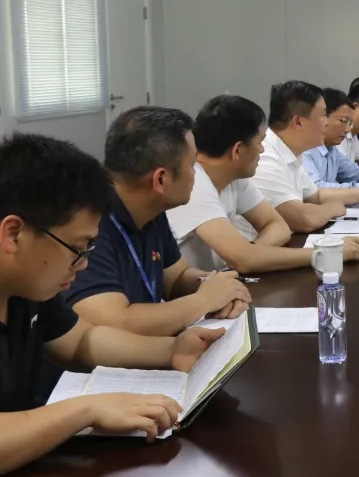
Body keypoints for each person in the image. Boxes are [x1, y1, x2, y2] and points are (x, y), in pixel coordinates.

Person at [0, 133, 228, 473]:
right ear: (14, 234)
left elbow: (82, 340)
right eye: (77, 248)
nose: (83, 265)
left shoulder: (26, 289)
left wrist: (171, 350)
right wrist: (87, 410)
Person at [64, 108, 251, 337]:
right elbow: (114, 323)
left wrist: (218, 287)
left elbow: (176, 278)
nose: (196, 174)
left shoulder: (151, 209)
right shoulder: (88, 224)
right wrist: (203, 301)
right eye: (192, 165)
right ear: (161, 179)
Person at [167, 95, 359, 273]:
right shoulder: (194, 184)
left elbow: (278, 226)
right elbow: (244, 259)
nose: (262, 150)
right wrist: (327, 253)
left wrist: (252, 253)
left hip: (218, 283)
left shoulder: (235, 177)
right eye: (259, 142)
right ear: (237, 151)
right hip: (188, 292)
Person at [253, 81, 359, 234]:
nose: (326, 123)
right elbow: (305, 219)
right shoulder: (265, 159)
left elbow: (317, 195)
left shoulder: (292, 152)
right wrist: (333, 207)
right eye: (323, 115)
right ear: (298, 122)